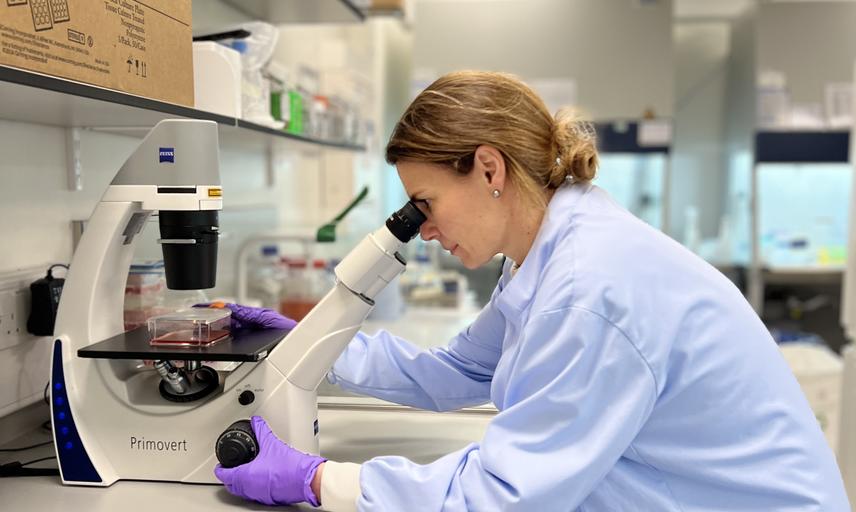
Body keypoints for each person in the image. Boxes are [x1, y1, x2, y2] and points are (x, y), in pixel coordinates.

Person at [214, 71, 850, 511]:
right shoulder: (544, 257)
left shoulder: (587, 288)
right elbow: (453, 370)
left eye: (424, 203)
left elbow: (501, 496)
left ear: (489, 168)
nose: (423, 228)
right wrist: (307, 344)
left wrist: (318, 479)